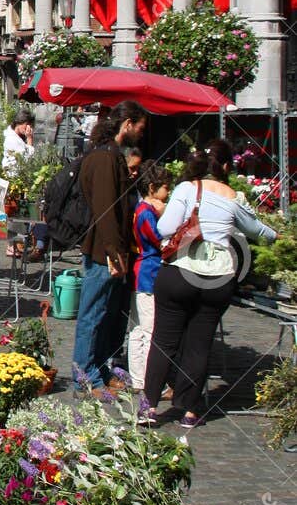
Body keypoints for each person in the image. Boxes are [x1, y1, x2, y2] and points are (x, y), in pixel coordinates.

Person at [143, 140, 276, 429]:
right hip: (218, 278)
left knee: (164, 341)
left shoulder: (187, 189)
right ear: (226, 166)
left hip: (181, 271)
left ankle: (148, 407)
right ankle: (190, 411)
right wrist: (278, 236)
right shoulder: (234, 196)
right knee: (199, 345)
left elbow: (164, 229)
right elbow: (257, 231)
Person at [71, 100, 148, 392]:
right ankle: (85, 376)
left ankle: (99, 370)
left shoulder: (109, 155)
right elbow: (106, 211)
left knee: (104, 314)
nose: (140, 135)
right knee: (93, 314)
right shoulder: (104, 158)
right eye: (139, 128)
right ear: (127, 124)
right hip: (103, 251)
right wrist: (114, 253)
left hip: (109, 249)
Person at [126, 160, 170, 396]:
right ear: (152, 188)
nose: (168, 193)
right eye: (165, 188)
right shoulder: (146, 213)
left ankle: (138, 378)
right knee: (148, 329)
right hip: (148, 272)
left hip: (142, 271)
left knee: (138, 329)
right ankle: (147, 379)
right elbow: (159, 239)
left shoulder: (142, 210)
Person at [2, 108, 35, 177]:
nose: (29, 128)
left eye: (30, 125)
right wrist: (29, 139)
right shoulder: (12, 139)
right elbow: (27, 159)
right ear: (19, 122)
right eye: (27, 124)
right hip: (15, 177)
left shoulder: (17, 136)